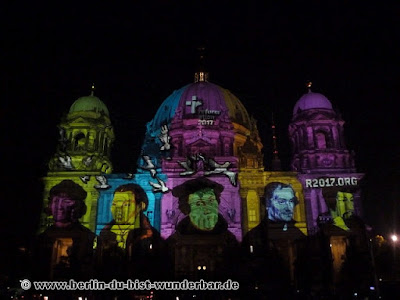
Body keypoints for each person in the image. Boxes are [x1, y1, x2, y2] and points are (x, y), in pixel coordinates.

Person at [241, 182, 306, 297]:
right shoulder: (254, 236)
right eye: (281, 201)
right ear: (268, 204)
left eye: (291, 201)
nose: (288, 207)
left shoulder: (300, 237)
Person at [167, 177, 239, 282]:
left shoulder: (231, 242)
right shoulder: (172, 244)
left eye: (210, 201)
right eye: (199, 203)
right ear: (187, 208)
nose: (207, 209)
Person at [34, 180, 95, 280]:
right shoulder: (42, 237)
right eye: (56, 201)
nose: (59, 207)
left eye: (66, 202)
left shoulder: (87, 236)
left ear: (77, 206)